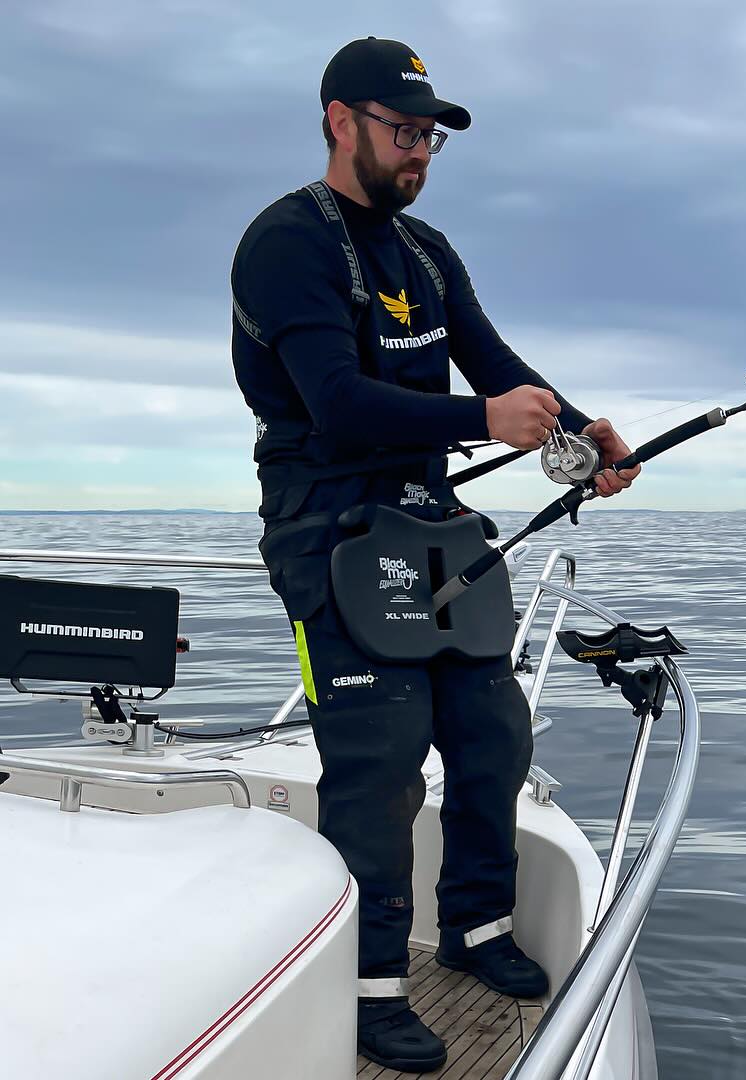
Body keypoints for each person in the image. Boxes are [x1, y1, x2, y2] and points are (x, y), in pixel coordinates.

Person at [230, 36, 640, 1073]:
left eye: (429, 136)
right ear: (340, 120)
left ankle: (478, 927)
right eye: (402, 129)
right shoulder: (287, 243)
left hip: (428, 518)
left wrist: (587, 435)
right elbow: (335, 401)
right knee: (378, 765)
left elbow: (498, 366)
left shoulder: (428, 251)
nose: (418, 149)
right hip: (328, 521)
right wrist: (485, 417)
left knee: (492, 730)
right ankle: (370, 988)